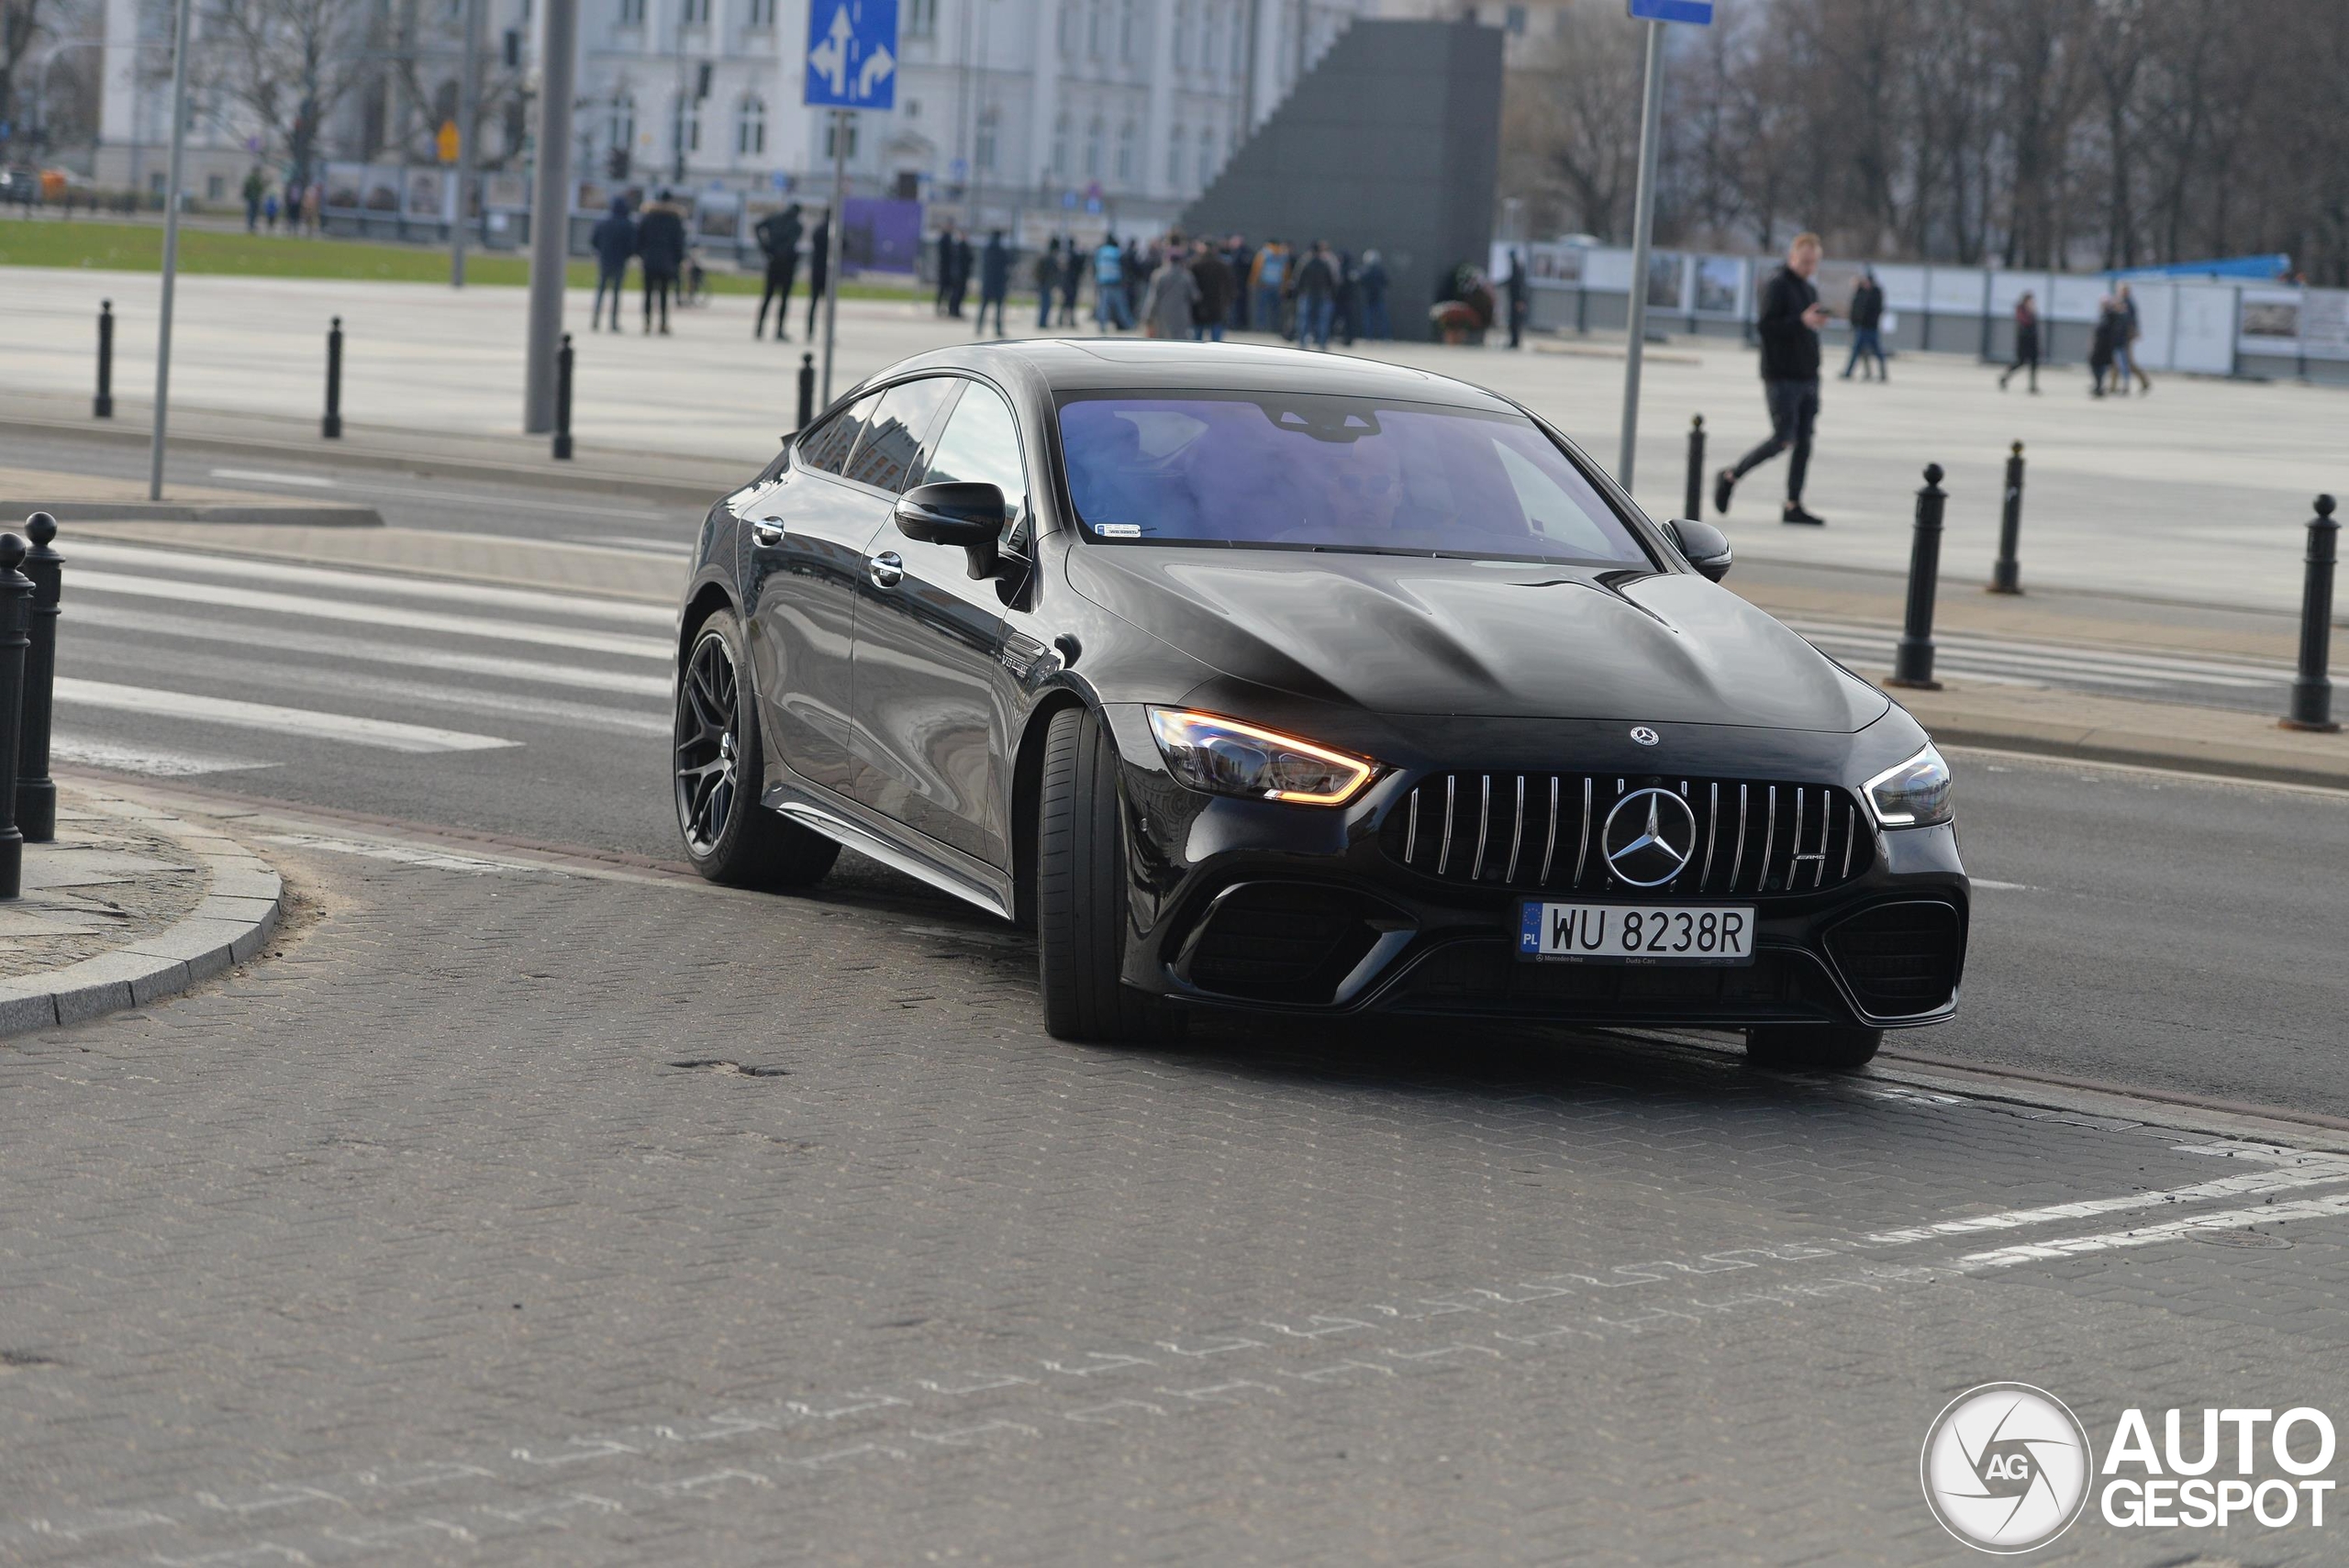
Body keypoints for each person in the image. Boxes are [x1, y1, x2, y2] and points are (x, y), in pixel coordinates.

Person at [1713, 232, 1830, 527]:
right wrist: (1800, 322)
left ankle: (1793, 504)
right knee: (1783, 439)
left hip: (1808, 377)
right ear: (1792, 257)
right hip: (1781, 377)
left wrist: (1813, 324)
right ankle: (1731, 475)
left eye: (1813, 263)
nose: (1809, 267)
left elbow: (1804, 329)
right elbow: (1765, 327)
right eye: (1804, 262)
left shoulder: (1808, 289)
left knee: (1803, 443)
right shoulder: (1776, 285)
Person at [635, 188, 686, 335]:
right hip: (667, 262)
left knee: (648, 294)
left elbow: (639, 239)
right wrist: (678, 260)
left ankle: (647, 323)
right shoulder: (674, 219)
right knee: (664, 294)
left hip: (649, 261)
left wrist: (641, 255)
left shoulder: (648, 217)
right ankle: (663, 324)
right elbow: (679, 242)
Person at [753, 202, 803, 340]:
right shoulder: (795, 225)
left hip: (776, 262)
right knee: (780, 298)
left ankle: (761, 328)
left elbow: (758, 227)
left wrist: (765, 247)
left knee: (769, 297)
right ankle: (775, 329)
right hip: (784, 264)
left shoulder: (778, 220)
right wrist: (766, 248)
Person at [590, 195, 636, 333]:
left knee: (601, 291)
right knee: (616, 293)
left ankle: (596, 320)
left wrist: (601, 252)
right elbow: (632, 245)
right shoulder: (628, 224)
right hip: (620, 261)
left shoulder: (603, 223)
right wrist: (626, 255)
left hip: (605, 260)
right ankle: (613, 322)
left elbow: (594, 241)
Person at [1843, 268, 1887, 381]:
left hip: (1870, 327)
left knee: (1875, 351)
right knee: (1859, 351)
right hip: (1861, 326)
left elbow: (1874, 310)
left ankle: (1882, 373)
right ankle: (1859, 372)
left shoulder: (1875, 294)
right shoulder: (1862, 292)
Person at [1293, 241, 1338, 350]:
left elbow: (1299, 280)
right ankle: (1322, 343)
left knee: (1304, 319)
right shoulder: (1325, 264)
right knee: (1322, 320)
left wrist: (1298, 292)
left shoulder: (1306, 264)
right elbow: (1331, 281)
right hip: (1322, 294)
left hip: (1307, 294)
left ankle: (1302, 342)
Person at [1188, 239, 1234, 342]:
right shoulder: (1222, 265)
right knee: (1216, 340)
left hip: (1199, 305)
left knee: (1197, 340)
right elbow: (1229, 286)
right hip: (1216, 305)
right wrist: (1227, 301)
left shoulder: (1194, 264)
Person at [1998, 291, 2040, 393]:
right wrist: (2030, 312)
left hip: (2032, 341)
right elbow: (2025, 322)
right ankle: (2004, 377)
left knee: (2034, 363)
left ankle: (2032, 386)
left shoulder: (2032, 311)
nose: (2032, 303)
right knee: (2020, 362)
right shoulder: (2020, 309)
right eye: (2030, 300)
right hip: (2023, 341)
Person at [2116, 282, 2152, 395]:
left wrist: (2133, 333)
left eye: (2124, 290)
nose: (2122, 292)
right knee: (2115, 362)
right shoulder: (2121, 302)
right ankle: (2112, 386)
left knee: (2128, 362)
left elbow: (2132, 321)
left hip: (2125, 337)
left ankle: (2144, 382)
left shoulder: (2128, 304)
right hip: (2118, 337)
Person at [1092, 233, 1130, 332]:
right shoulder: (1117, 252)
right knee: (1121, 305)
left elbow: (1095, 265)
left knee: (1103, 305)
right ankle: (1128, 324)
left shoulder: (1100, 251)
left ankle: (1102, 325)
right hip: (1116, 282)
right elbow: (1123, 266)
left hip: (1102, 281)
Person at [976, 229, 1010, 337]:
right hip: (999, 283)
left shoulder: (987, 250)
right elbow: (1008, 262)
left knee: (984, 306)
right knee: (999, 309)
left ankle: (979, 327)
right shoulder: (1001, 250)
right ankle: (998, 328)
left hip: (988, 282)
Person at [804, 210, 831, 340]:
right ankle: (827, 333)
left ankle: (809, 332)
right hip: (828, 271)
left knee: (813, 302)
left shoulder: (818, 229)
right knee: (828, 305)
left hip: (816, 270)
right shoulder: (833, 232)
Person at [1251, 239, 1286, 336]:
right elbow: (1286, 272)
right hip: (1277, 286)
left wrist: (1253, 283)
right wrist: (1284, 287)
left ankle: (1261, 327)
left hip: (1264, 285)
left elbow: (1256, 269)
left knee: (1261, 308)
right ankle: (1275, 327)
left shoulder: (1263, 254)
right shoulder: (1283, 254)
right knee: (1275, 309)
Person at [2088, 295, 2121, 397]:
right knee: (2097, 365)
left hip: (2105, 346)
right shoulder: (2103, 315)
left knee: (2099, 365)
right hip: (2099, 345)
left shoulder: (2111, 315)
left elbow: (2118, 318)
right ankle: (2099, 386)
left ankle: (2100, 386)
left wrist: (2116, 306)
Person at [1358, 249, 1390, 340]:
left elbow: (1361, 281)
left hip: (1370, 297)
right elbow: (1386, 282)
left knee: (1371, 319)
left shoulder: (1365, 271)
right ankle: (1384, 337)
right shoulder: (1379, 271)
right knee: (1380, 319)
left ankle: (1370, 337)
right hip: (1376, 297)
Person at [1035, 239, 1063, 330]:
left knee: (1045, 304)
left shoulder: (1045, 257)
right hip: (1046, 284)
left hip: (1044, 284)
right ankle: (1042, 322)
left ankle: (1042, 322)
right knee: (1046, 304)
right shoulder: (1051, 259)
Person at [1506, 250, 1528, 349]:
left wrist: (1520, 300)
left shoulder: (1516, 267)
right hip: (1515, 299)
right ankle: (1514, 341)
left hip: (1517, 300)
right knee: (1514, 322)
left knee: (1515, 322)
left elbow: (1519, 285)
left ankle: (1515, 342)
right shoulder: (1516, 266)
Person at [933, 227, 957, 315]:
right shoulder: (947, 242)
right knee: (944, 291)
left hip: (944, 270)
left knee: (943, 291)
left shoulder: (944, 241)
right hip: (946, 271)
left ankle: (940, 307)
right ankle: (941, 307)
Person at [1057, 240, 1081, 327]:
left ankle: (1061, 320)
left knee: (1065, 302)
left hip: (1066, 282)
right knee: (1071, 303)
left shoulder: (1066, 256)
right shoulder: (1075, 256)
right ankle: (1070, 320)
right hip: (1072, 282)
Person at [241, 168, 264, 232]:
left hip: (252, 198)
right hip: (254, 198)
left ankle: (251, 226)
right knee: (253, 213)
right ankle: (251, 226)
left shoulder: (250, 179)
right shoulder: (255, 179)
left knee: (252, 213)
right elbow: (260, 188)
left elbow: (246, 189)